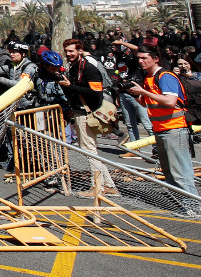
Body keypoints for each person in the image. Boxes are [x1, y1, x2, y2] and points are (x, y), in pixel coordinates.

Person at [126, 46, 201, 213]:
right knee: (169, 172)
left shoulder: (165, 76)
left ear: (156, 58)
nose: (141, 61)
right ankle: (183, 205)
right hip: (161, 129)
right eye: (139, 58)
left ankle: (194, 209)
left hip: (174, 129)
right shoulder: (149, 78)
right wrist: (135, 94)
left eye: (144, 58)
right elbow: (146, 104)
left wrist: (143, 91)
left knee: (180, 172)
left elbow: (170, 102)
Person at [58, 39, 118, 198]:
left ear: (80, 50)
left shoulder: (88, 68)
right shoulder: (75, 66)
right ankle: (109, 186)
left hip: (87, 114)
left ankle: (96, 186)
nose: (69, 54)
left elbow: (95, 93)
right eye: (67, 51)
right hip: (79, 112)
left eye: (72, 51)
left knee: (89, 151)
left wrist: (69, 86)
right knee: (91, 150)